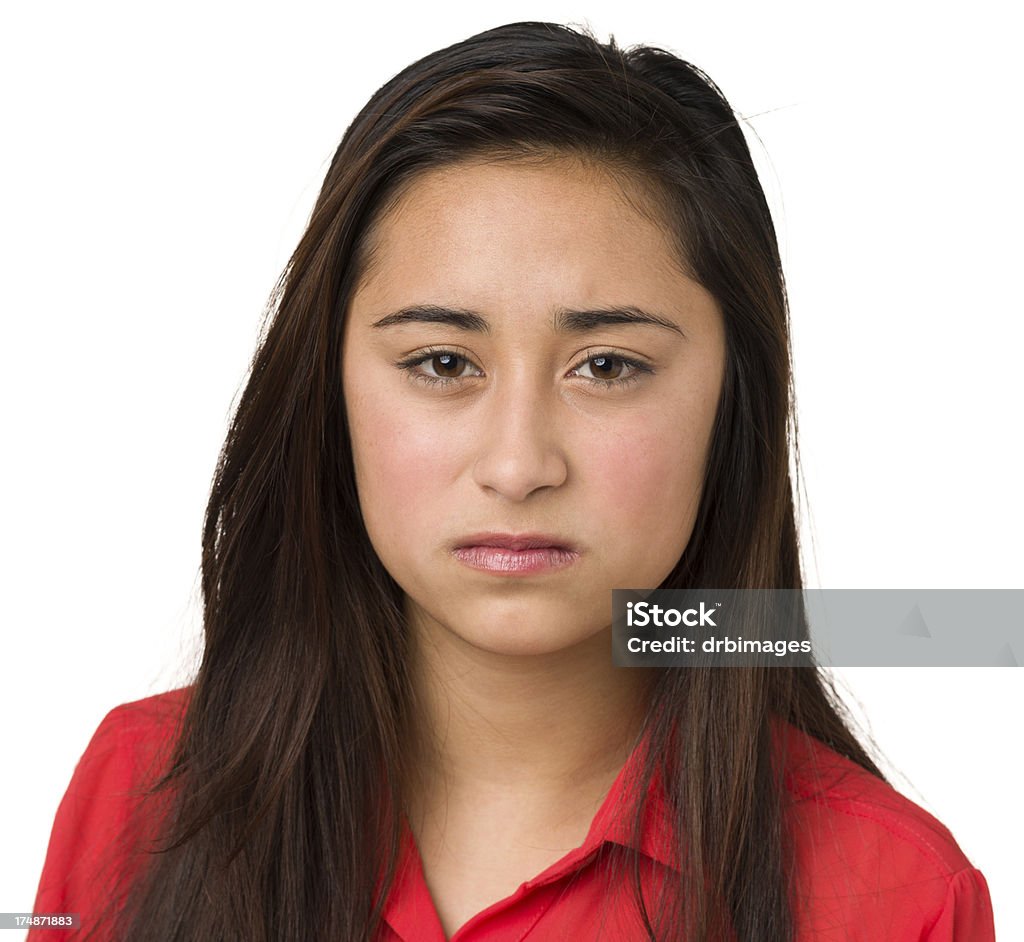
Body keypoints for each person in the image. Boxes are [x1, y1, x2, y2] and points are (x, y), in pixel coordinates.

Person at [29, 21, 995, 942]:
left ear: (730, 402)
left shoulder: (899, 892)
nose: (518, 465)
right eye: (443, 363)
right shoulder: (138, 790)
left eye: (608, 367)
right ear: (330, 389)